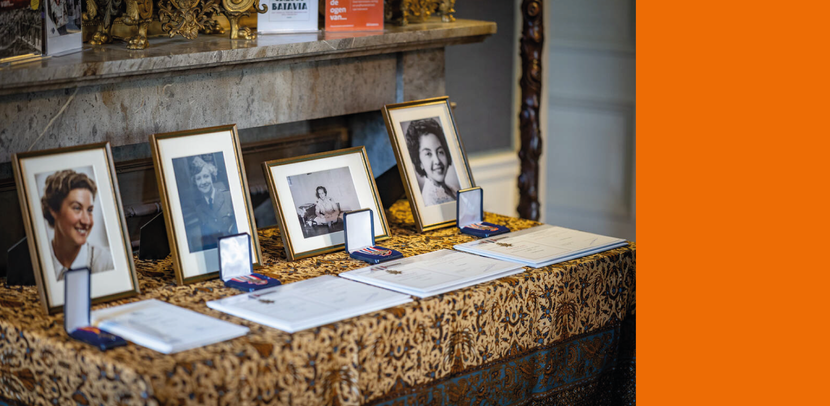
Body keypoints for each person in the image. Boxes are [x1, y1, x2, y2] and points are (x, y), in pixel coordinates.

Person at [41, 169, 114, 281]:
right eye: (77, 208)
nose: (86, 221)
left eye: (89, 210)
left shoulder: (106, 263)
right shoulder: (40, 264)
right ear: (54, 210)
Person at [404, 118, 457, 206]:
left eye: (440, 152)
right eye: (428, 154)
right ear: (419, 162)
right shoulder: (430, 200)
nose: (437, 161)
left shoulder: (453, 189)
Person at [190, 155, 237, 250]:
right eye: (198, 179)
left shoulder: (228, 197)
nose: (203, 182)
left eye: (206, 176)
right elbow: (206, 239)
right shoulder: (199, 209)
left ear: (212, 177)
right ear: (195, 183)